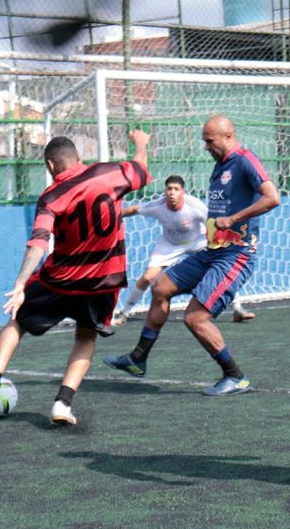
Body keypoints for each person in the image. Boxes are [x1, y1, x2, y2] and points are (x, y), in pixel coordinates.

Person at [0, 130, 152, 426]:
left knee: (17, 320)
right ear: (80, 159)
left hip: (59, 279)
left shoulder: (51, 196)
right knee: (86, 338)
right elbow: (140, 168)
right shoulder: (110, 173)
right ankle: (62, 403)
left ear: (50, 166)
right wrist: (140, 143)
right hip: (103, 282)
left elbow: (38, 241)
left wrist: (21, 283)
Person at [104, 115, 280, 395]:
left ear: (228, 136)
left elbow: (272, 197)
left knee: (194, 318)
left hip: (236, 255)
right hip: (212, 252)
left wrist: (234, 218)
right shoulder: (219, 166)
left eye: (209, 141)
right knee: (160, 287)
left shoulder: (246, 160)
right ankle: (138, 359)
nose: (206, 146)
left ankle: (235, 376)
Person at [112, 175, 256, 326]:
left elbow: (211, 222)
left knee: (221, 268)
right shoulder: (158, 206)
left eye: (176, 189)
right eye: (169, 189)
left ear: (183, 192)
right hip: (169, 244)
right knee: (148, 277)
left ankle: (237, 309)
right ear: (165, 191)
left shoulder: (194, 206)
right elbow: (135, 209)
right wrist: (112, 215)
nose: (172, 193)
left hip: (197, 242)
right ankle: (124, 313)